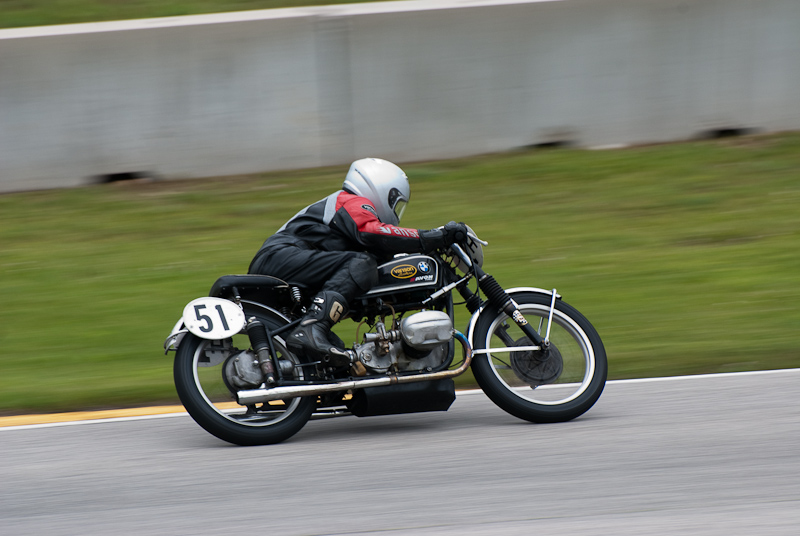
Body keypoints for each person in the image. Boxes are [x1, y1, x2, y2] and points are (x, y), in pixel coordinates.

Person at [248, 157, 468, 365]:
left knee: (335, 360)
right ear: (382, 189)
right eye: (395, 202)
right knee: (362, 263)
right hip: (280, 257)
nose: (394, 210)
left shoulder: (344, 208)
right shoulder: (351, 200)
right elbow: (371, 232)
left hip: (283, 263)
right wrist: (433, 237)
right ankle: (313, 327)